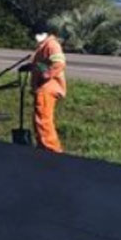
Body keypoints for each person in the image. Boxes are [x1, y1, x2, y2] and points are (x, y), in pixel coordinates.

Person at [26, 24, 67, 153]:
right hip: (42, 88)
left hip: (48, 88)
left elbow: (59, 63)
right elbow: (42, 64)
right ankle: (42, 148)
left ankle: (51, 151)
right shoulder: (43, 46)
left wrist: (46, 75)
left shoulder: (51, 45)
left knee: (43, 121)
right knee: (39, 121)